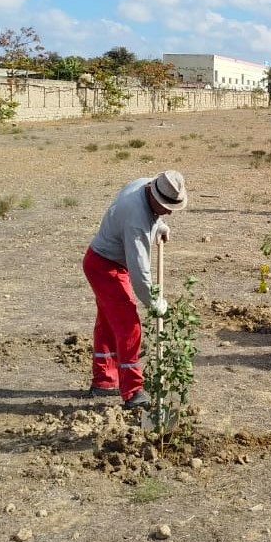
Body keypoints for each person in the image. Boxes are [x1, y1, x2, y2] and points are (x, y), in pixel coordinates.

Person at [83, 171, 188, 408]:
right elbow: (140, 273)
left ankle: (104, 380)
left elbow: (151, 213)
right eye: (165, 207)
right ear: (154, 195)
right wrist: (154, 302)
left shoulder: (144, 185)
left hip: (101, 260)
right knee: (128, 325)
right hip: (105, 267)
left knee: (109, 322)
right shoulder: (136, 222)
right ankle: (133, 392)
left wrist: (159, 224)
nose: (170, 211)